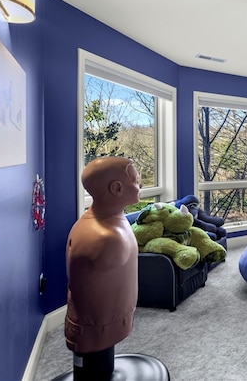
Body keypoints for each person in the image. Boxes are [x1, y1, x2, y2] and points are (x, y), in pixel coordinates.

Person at [64, 156, 141, 379]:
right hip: (97, 328)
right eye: (135, 181)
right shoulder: (105, 237)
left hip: (108, 322)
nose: (140, 185)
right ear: (117, 188)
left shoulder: (111, 220)